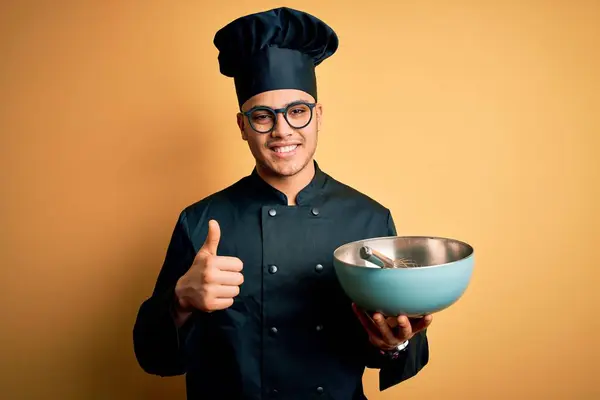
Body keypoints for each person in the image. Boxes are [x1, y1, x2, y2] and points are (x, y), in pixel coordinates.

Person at [133, 7, 431, 400]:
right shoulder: (201, 221)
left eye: (297, 111)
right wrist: (180, 302)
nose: (282, 130)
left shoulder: (368, 219)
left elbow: (393, 345)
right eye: (262, 116)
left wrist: (394, 343)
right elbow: (154, 357)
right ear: (242, 126)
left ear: (318, 116)